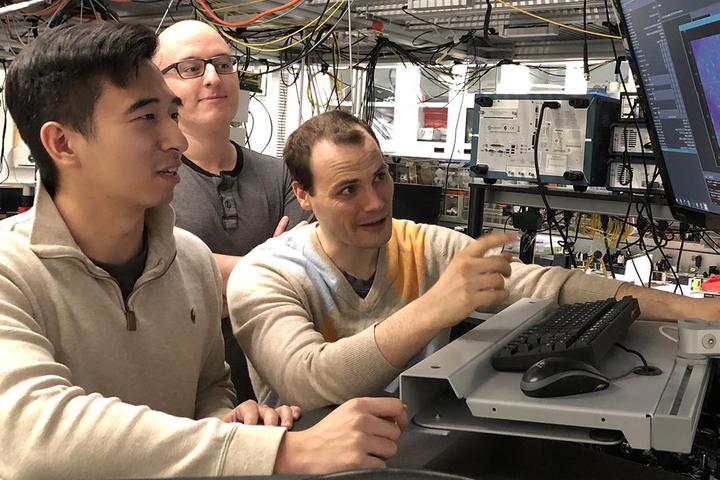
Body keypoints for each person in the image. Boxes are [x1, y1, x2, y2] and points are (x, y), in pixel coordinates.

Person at [0, 23, 406, 479]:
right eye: (145, 118)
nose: (176, 140)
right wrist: (278, 452)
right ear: (63, 142)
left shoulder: (188, 258)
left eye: (172, 115)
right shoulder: (10, 271)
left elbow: (209, 390)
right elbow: (31, 433)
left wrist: (231, 422)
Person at [227, 110, 720, 410]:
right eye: (348, 190)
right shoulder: (265, 274)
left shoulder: (418, 244)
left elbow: (549, 286)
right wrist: (435, 308)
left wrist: (698, 312)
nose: (376, 202)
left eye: (380, 177)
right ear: (303, 195)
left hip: (417, 438)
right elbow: (307, 381)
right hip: (315, 458)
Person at [153, 20, 306, 397]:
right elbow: (159, 292)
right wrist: (271, 268)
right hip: (186, 402)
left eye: (223, 64)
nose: (212, 77)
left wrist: (211, 282)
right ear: (156, 85)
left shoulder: (283, 173)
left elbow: (311, 276)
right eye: (191, 68)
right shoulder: (147, 183)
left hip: (282, 394)